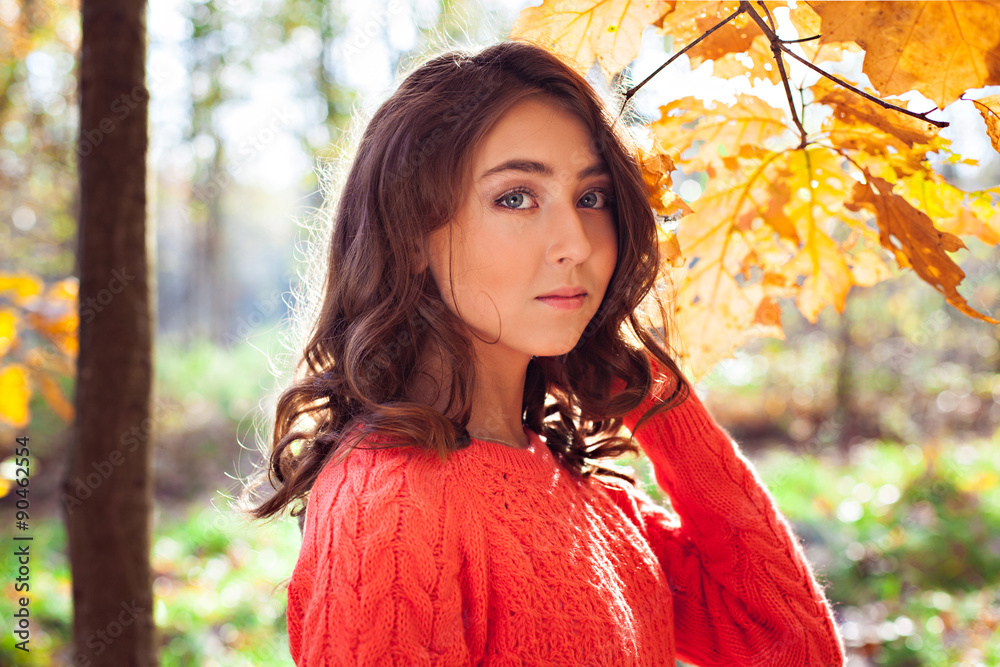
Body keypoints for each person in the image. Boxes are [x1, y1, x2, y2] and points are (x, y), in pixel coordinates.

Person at [249, 39, 846, 666]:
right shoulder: (392, 508)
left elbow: (794, 647)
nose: (576, 243)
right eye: (516, 198)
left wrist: (653, 392)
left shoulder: (582, 490)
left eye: (591, 199)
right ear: (412, 234)